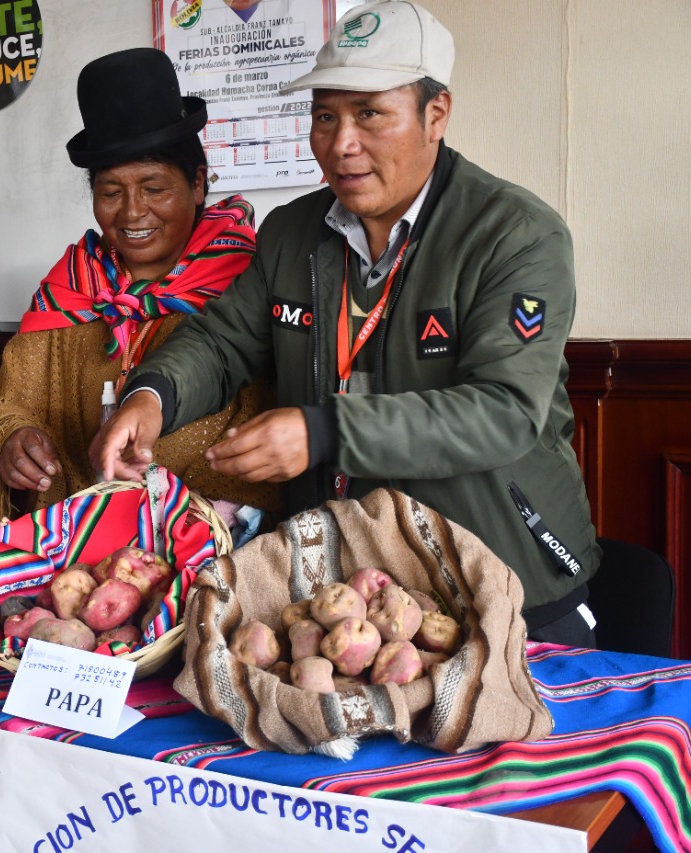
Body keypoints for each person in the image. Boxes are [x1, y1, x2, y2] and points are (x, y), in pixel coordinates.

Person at [92, 1, 600, 645]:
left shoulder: (514, 236)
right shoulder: (293, 234)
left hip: (500, 581)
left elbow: (503, 410)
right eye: (325, 116)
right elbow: (221, 343)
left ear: (435, 114)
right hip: (347, 598)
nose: (341, 144)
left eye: (370, 114)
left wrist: (325, 430)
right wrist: (150, 396)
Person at [0, 47, 281, 524]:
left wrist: (186, 525)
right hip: (72, 551)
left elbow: (266, 435)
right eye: (111, 192)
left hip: (213, 549)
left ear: (197, 183)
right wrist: (10, 439)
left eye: (154, 188)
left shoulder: (246, 285)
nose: (131, 213)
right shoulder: (70, 290)